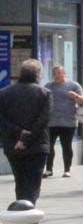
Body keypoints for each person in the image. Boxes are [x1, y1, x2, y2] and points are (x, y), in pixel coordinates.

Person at [0, 59, 50, 203]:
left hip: (13, 144)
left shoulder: (4, 93)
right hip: (37, 145)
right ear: (38, 75)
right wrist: (26, 139)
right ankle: (29, 209)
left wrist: (19, 134)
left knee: (20, 181)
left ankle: (21, 207)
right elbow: (43, 120)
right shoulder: (44, 93)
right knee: (33, 183)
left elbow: (2, 120)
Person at [45, 64, 83, 178]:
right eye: (54, 73)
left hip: (68, 122)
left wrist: (75, 96)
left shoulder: (73, 85)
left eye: (59, 73)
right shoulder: (48, 86)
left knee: (66, 146)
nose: (56, 76)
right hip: (51, 122)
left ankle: (67, 169)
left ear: (64, 74)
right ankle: (49, 169)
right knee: (49, 146)